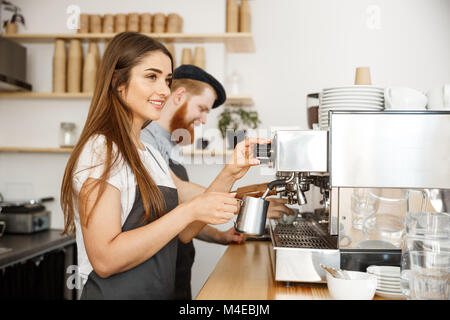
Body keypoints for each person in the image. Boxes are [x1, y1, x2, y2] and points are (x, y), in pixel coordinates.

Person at [60, 32, 269, 300]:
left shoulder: (149, 154)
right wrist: (190, 209)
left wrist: (230, 172)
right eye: (151, 77)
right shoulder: (102, 150)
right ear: (118, 81)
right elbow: (105, 259)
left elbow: (184, 232)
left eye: (167, 80)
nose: (164, 90)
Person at [141, 64, 294, 299]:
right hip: (153, 275)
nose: (203, 120)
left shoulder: (170, 143)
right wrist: (248, 203)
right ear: (179, 95)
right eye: (202, 108)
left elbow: (182, 211)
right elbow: (180, 192)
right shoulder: (145, 140)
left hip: (177, 268)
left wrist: (218, 235)